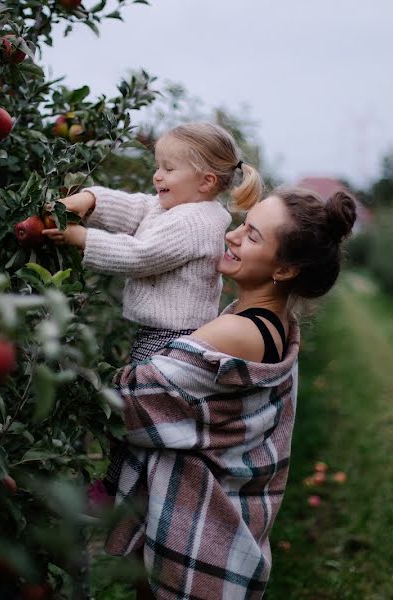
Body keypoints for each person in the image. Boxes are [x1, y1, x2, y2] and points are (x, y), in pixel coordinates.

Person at [104, 186, 358, 599]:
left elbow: (134, 399)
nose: (232, 235)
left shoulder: (236, 332)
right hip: (218, 538)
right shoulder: (267, 322)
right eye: (243, 224)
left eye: (253, 236)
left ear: (285, 270)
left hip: (197, 542)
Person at [43, 122, 263, 496]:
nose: (156, 175)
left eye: (168, 168)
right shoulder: (179, 207)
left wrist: (81, 238)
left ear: (206, 181)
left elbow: (140, 256)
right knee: (136, 411)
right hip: (162, 335)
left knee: (130, 410)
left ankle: (115, 491)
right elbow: (137, 208)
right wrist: (89, 200)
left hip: (170, 340)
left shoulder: (196, 221)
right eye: (158, 165)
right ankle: (128, 488)